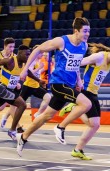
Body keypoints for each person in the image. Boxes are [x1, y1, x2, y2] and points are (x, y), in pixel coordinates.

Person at [16, 17, 92, 157]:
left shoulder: (84, 46)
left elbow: (75, 64)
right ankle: (60, 127)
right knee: (86, 104)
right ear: (76, 31)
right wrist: (25, 69)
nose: (87, 34)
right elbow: (38, 49)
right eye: (85, 31)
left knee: (47, 115)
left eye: (89, 31)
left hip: (69, 85)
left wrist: (79, 81)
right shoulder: (62, 41)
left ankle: (23, 137)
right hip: (58, 84)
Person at [58, 43, 110, 160]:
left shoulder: (109, 61)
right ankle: (75, 111)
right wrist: (78, 81)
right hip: (86, 92)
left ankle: (77, 150)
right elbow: (76, 64)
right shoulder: (99, 57)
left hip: (94, 93)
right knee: (94, 124)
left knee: (95, 125)